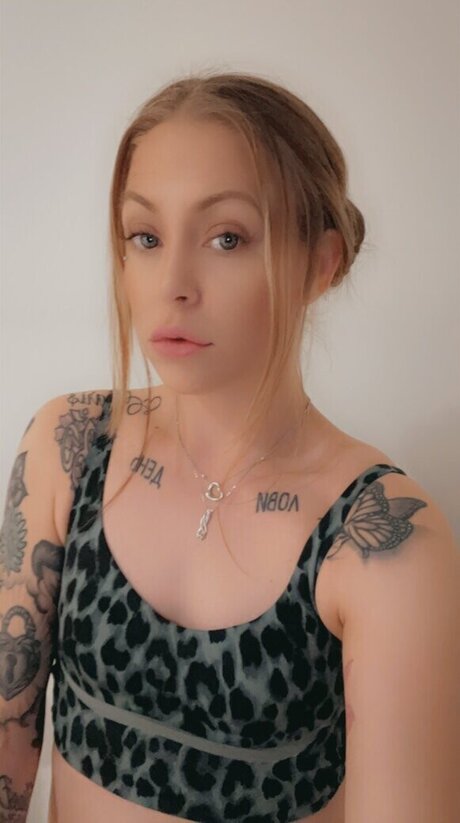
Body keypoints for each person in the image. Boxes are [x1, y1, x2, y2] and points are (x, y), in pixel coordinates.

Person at [0, 71, 458, 823]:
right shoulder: (69, 447)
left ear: (321, 264)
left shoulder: (383, 539)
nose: (172, 283)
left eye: (227, 238)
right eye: (145, 237)